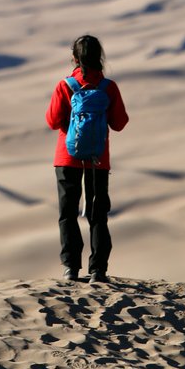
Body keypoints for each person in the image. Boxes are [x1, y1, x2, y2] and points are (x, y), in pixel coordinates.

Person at [45, 34, 129, 284]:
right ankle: (98, 270)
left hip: (67, 157)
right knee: (97, 214)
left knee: (67, 213)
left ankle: (70, 268)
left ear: (74, 58)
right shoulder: (108, 87)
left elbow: (52, 122)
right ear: (99, 57)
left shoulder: (65, 85)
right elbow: (120, 123)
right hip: (98, 159)